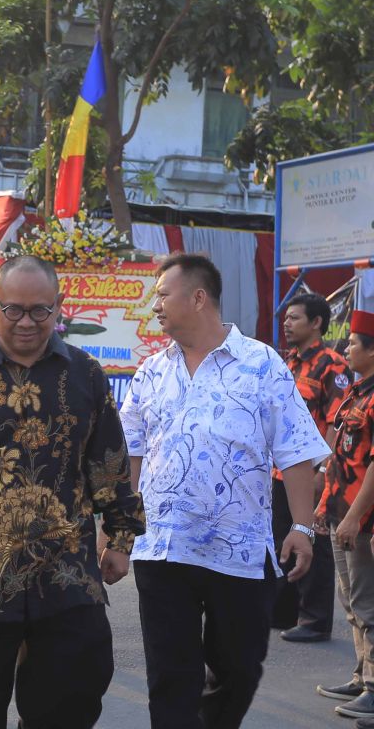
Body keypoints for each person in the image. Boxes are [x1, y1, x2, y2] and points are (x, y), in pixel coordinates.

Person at [120, 253, 330, 729]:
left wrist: (301, 525)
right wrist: (118, 526)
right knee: (170, 674)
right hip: (163, 546)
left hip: (237, 549)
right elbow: (131, 450)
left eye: (162, 294)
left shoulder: (261, 364)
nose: (155, 304)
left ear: (198, 298)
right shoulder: (152, 371)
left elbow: (295, 447)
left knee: (239, 665)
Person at [0, 255, 145, 729]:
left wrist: (120, 538)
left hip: (67, 572)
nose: (26, 322)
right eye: (13, 310)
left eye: (40, 311)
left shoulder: (85, 374)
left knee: (72, 701)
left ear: (59, 306)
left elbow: (108, 462)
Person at [275, 292, 346, 643]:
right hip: (279, 472)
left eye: (295, 318)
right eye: (286, 318)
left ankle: (315, 620)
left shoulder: (332, 365)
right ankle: (285, 611)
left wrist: (323, 472)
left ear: (316, 323)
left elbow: (337, 423)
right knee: (279, 539)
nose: (286, 324)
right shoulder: (286, 363)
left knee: (313, 544)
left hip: (311, 472)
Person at [316, 309, 374, 720]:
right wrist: (324, 505)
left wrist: (354, 517)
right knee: (352, 601)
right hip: (340, 509)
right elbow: (340, 458)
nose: (346, 348)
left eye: (353, 343)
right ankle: (361, 674)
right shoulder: (358, 392)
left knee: (369, 604)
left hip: (362, 517)